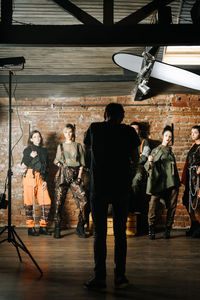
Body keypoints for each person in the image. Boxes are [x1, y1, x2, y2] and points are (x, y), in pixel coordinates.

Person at [83, 103, 140, 290]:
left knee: (99, 234)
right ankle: (120, 277)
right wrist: (128, 174)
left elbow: (86, 152)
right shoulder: (128, 132)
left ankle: (100, 278)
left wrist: (95, 168)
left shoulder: (94, 128)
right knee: (120, 234)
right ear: (122, 116)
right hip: (121, 187)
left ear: (105, 114)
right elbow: (136, 158)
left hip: (99, 186)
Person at [145, 125, 180, 240]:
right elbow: (149, 165)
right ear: (162, 136)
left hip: (171, 181)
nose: (168, 138)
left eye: (170, 136)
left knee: (172, 205)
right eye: (166, 136)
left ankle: (168, 229)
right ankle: (151, 228)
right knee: (153, 203)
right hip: (159, 181)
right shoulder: (157, 150)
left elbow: (173, 169)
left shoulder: (171, 152)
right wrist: (150, 162)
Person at [54, 123, 87, 239]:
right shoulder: (61, 146)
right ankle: (57, 227)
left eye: (70, 131)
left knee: (84, 201)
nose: (68, 134)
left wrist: (79, 177)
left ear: (73, 132)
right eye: (66, 132)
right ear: (64, 133)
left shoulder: (78, 146)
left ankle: (80, 226)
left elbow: (82, 164)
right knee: (59, 202)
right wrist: (61, 165)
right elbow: (56, 160)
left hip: (75, 176)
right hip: (63, 175)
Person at [21, 130, 52, 236]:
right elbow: (22, 166)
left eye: (39, 136)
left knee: (46, 202)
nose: (37, 138)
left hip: (40, 178)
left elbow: (47, 167)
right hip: (30, 176)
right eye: (34, 137)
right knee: (29, 202)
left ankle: (43, 227)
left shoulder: (44, 151)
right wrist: (31, 156)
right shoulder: (28, 150)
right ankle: (30, 227)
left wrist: (45, 180)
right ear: (31, 139)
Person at [130, 121, 151, 232]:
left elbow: (144, 156)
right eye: (132, 129)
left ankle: (135, 208)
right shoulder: (126, 141)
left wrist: (134, 161)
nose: (134, 131)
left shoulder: (144, 141)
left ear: (140, 131)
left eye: (136, 129)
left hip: (139, 167)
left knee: (136, 181)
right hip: (128, 168)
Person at [182, 125, 200, 238]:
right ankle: (194, 225)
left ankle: (199, 227)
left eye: (195, 132)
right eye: (191, 132)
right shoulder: (193, 146)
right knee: (187, 201)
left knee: (197, 203)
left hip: (198, 179)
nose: (192, 134)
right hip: (190, 177)